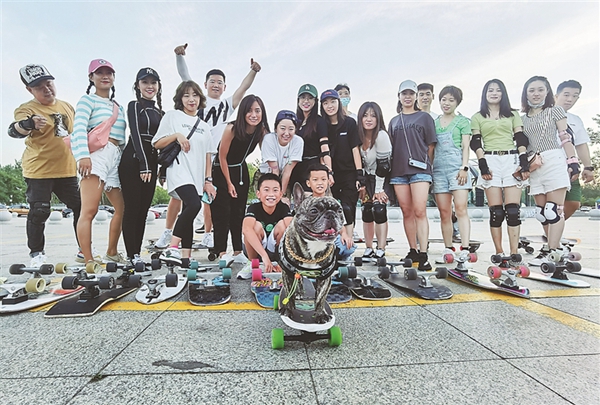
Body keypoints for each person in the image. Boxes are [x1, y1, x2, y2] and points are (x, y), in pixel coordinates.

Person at [155, 43, 261, 250]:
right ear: (204, 85)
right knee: (179, 198)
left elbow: (243, 88)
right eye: (212, 81)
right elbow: (185, 77)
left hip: (210, 157)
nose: (216, 85)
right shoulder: (197, 102)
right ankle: (168, 232)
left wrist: (253, 71)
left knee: (207, 198)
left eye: (220, 82)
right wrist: (179, 57)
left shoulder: (227, 105)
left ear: (224, 87)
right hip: (188, 155)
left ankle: (207, 234)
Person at [8, 64, 81, 267]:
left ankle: (84, 249)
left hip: (66, 169)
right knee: (40, 211)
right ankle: (37, 254)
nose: (46, 89)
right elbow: (14, 130)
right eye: (39, 87)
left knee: (82, 208)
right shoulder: (26, 109)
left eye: (48, 83)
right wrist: (28, 124)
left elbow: (76, 134)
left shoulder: (67, 106)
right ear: (29, 90)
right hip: (39, 171)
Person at [71, 59, 127, 269]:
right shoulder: (87, 100)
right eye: (99, 72)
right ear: (91, 77)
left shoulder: (118, 107)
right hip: (96, 155)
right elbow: (78, 129)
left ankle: (112, 252)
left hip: (116, 155)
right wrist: (82, 155)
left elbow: (122, 137)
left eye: (109, 73)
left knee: (122, 208)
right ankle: (88, 259)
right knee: (89, 210)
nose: (105, 76)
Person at [152, 80, 215, 265]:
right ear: (180, 99)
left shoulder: (204, 126)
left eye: (195, 95)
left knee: (190, 210)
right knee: (194, 205)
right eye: (186, 95)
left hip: (197, 176)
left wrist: (208, 180)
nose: (191, 99)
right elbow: (156, 143)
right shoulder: (172, 116)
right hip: (179, 171)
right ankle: (172, 248)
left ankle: (186, 258)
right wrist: (177, 136)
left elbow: (208, 156)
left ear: (200, 98)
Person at [519, 76, 579, 264]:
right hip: (535, 164)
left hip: (553, 159)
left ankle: (553, 252)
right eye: (531, 90)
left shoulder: (555, 111)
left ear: (547, 92)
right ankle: (555, 250)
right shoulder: (521, 119)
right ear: (525, 93)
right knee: (542, 213)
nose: (536, 94)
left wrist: (573, 161)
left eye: (540, 90)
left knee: (554, 211)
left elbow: (565, 137)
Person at [470, 79, 528, 258]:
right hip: (490, 159)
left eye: (498, 90)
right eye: (490, 90)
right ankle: (499, 252)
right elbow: (476, 141)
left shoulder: (512, 114)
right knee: (496, 212)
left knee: (513, 211)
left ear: (503, 93)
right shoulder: (477, 117)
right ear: (485, 94)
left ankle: (514, 252)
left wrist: (524, 160)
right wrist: (482, 164)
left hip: (511, 159)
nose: (494, 93)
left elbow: (520, 137)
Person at [212, 95, 269, 263]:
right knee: (223, 212)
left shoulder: (261, 131)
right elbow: (222, 157)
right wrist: (229, 183)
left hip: (241, 170)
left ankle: (238, 251)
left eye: (257, 111)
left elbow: (267, 152)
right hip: (221, 170)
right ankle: (221, 251)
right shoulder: (231, 128)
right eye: (249, 111)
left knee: (238, 213)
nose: (254, 115)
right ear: (243, 112)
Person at [388, 80, 436, 270]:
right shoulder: (394, 121)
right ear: (399, 96)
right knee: (406, 212)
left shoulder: (424, 117)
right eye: (404, 93)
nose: (407, 97)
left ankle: (424, 252)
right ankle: (413, 249)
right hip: (398, 172)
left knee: (420, 211)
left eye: (411, 93)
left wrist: (425, 164)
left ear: (415, 96)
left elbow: (431, 146)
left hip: (420, 171)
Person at [118, 68, 164, 264]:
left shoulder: (161, 113)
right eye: (145, 82)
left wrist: (162, 169)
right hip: (134, 160)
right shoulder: (134, 106)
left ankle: (137, 253)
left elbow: (163, 142)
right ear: (138, 85)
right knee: (132, 208)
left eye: (153, 82)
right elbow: (135, 134)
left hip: (152, 161)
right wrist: (144, 164)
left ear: (158, 86)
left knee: (144, 210)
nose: (149, 86)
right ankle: (132, 255)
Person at [431, 86, 473, 263]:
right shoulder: (434, 123)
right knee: (444, 212)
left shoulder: (463, 122)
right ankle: (448, 248)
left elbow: (466, 147)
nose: (446, 103)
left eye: (451, 100)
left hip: (457, 169)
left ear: (457, 102)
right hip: (438, 170)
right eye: (443, 99)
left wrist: (464, 167)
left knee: (461, 208)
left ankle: (465, 248)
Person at [320, 89, 363, 257]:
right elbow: (321, 150)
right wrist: (326, 173)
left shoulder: (349, 123)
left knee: (347, 208)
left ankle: (348, 248)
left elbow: (355, 149)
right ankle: (332, 248)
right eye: (325, 103)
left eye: (333, 102)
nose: (329, 106)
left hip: (349, 173)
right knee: (331, 211)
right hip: (330, 174)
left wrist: (359, 174)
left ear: (338, 102)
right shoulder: (322, 125)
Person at [239, 173, 293, 279]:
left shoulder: (284, 208)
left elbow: (292, 228)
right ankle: (252, 263)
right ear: (258, 194)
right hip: (256, 250)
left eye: (275, 190)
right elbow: (246, 229)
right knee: (255, 227)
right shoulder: (253, 208)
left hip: (274, 249)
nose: (271, 194)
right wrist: (264, 256)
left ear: (281, 194)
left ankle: (281, 262)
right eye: (266, 190)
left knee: (283, 226)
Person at [554, 80, 595, 218]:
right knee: (551, 205)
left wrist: (588, 167)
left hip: (570, 167)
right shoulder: (544, 115)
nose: (570, 99)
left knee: (573, 203)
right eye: (566, 95)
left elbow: (581, 144)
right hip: (550, 165)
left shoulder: (575, 119)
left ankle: (552, 228)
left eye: (574, 96)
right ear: (556, 96)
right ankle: (552, 229)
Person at [356, 101, 392, 258]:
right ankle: (368, 247)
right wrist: (362, 184)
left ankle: (381, 247)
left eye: (373, 116)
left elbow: (384, 166)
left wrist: (379, 189)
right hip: (367, 178)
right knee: (366, 211)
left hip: (381, 178)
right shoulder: (358, 137)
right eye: (365, 116)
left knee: (379, 209)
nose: (369, 119)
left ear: (378, 118)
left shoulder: (381, 136)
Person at [289, 84, 333, 191]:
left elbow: (325, 148)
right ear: (298, 100)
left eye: (310, 98)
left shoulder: (319, 121)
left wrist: (329, 172)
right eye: (303, 97)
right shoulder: (294, 121)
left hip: (312, 168)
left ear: (315, 101)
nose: (306, 101)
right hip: (294, 167)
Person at [305, 164, 354, 257]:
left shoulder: (334, 203)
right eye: (315, 180)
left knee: (347, 248)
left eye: (323, 179)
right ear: (308, 183)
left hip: (330, 236)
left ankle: (337, 259)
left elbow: (340, 224)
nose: (320, 183)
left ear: (328, 181)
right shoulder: (306, 204)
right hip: (313, 238)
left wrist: (344, 234)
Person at [258, 110, 304, 203]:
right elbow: (275, 170)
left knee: (284, 203)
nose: (286, 133)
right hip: (267, 174)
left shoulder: (298, 141)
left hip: (285, 176)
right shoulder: (269, 139)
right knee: (269, 202)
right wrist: (275, 195)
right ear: (276, 129)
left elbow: (288, 171)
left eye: (291, 129)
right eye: (282, 128)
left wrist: (281, 194)